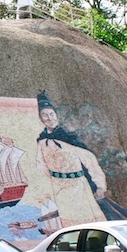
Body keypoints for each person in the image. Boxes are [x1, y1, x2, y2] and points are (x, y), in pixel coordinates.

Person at [36, 91, 107, 226]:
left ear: (56, 116)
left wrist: (100, 186)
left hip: (79, 187)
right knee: (68, 224)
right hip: (59, 189)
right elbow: (41, 164)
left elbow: (90, 162)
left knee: (90, 222)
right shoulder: (42, 142)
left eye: (52, 114)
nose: (49, 118)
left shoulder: (70, 139)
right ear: (40, 118)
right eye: (45, 115)